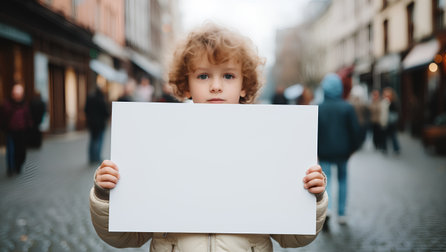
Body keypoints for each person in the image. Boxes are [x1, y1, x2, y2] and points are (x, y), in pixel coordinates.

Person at [89, 23, 328, 252]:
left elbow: (293, 237)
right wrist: (106, 195)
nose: (216, 86)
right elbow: (124, 236)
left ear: (244, 85)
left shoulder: (269, 145)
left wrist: (311, 198)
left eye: (228, 76)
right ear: (186, 84)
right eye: (203, 76)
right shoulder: (160, 142)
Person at [317, 73, 360, 228]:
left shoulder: (319, 108)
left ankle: (327, 210)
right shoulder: (347, 107)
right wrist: (353, 148)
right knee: (342, 180)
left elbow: (313, 131)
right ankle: (341, 213)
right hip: (343, 152)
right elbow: (355, 130)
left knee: (326, 180)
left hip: (325, 151)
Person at [1, 83, 33, 176]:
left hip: (22, 131)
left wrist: (29, 126)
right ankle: (11, 168)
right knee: (11, 150)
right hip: (10, 130)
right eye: (15, 93)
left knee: (21, 150)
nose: (17, 96)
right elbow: (3, 117)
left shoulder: (25, 105)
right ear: (12, 94)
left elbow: (28, 117)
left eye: (19, 94)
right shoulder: (7, 104)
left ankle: (18, 165)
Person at [85, 86, 109, 164]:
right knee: (99, 140)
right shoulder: (101, 99)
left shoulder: (90, 98)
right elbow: (105, 112)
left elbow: (86, 110)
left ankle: (91, 157)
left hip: (92, 124)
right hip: (100, 124)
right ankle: (97, 157)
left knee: (92, 140)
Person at [380, 87, 401, 154]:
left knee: (393, 136)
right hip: (385, 122)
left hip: (391, 123)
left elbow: (395, 113)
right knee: (384, 136)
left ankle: (396, 149)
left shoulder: (394, 102)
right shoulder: (383, 102)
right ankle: (384, 148)